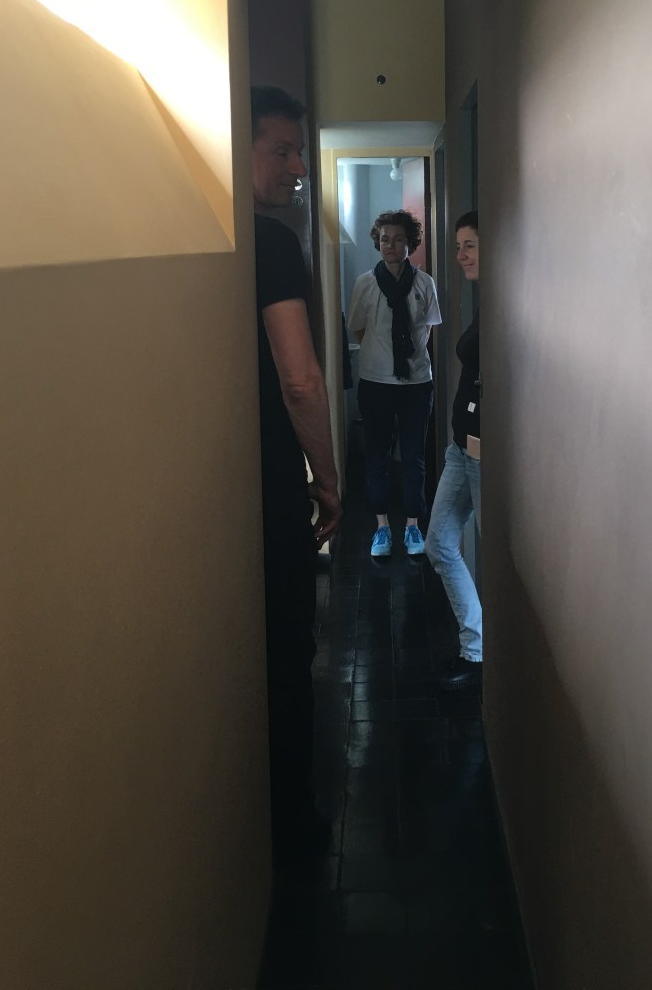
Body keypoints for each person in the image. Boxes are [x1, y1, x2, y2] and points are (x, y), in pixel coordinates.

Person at [251, 84, 342, 860]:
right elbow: (302, 379)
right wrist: (329, 478)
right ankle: (294, 824)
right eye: (281, 149)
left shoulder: (217, 241)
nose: (299, 167)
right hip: (273, 489)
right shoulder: (272, 244)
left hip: (225, 488)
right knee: (286, 652)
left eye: (300, 151)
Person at [347, 209, 441, 558]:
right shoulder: (365, 283)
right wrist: (384, 357)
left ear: (409, 243)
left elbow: (427, 327)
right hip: (376, 382)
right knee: (377, 456)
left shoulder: (424, 283)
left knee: (414, 456)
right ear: (378, 243)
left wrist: (407, 357)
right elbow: (359, 328)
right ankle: (382, 527)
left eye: (398, 239)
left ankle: (414, 526)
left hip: (417, 383)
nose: (391, 245)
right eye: (385, 239)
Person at [425, 211, 482, 692]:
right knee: (440, 543)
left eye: (470, 246)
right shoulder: (486, 301)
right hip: (460, 451)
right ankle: (477, 647)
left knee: (493, 557)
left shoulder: (507, 304)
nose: (460, 255)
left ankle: (480, 654)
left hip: (482, 456)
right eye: (458, 246)